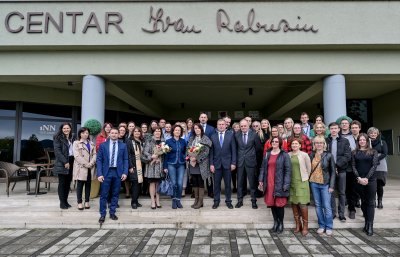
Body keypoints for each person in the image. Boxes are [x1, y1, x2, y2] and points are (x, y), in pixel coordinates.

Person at [259, 136, 291, 233]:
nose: (274, 143)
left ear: (280, 143)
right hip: (269, 182)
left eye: (276, 141)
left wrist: (286, 184)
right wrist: (260, 179)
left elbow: (288, 171)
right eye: (273, 141)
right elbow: (263, 168)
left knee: (279, 205)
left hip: (279, 183)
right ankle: (275, 222)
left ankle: (281, 223)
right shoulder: (267, 153)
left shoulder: (284, 155)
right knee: (272, 204)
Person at [96, 128, 128, 224]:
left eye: (116, 133)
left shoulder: (123, 145)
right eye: (112, 133)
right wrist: (99, 173)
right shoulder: (103, 145)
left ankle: (112, 212)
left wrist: (125, 172)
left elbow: (125, 159)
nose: (114, 134)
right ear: (109, 134)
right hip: (106, 172)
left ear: (119, 134)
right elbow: (99, 160)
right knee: (104, 195)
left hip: (118, 172)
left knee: (115, 194)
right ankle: (102, 214)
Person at [352, 133, 379, 236]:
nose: (362, 141)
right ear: (358, 141)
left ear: (367, 141)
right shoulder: (354, 152)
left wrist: (367, 178)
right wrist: (359, 178)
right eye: (360, 140)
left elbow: (374, 165)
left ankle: (370, 225)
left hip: (371, 180)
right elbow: (353, 166)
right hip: (359, 180)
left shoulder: (373, 152)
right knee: (364, 202)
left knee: (371, 202)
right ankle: (366, 224)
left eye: (364, 140)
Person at [309, 135, 336, 236]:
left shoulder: (329, 155)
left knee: (327, 206)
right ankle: (321, 225)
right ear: (314, 144)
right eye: (317, 143)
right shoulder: (311, 155)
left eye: (321, 143)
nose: (319, 144)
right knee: (318, 205)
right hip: (313, 183)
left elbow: (333, 172)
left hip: (325, 184)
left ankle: (329, 226)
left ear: (324, 144)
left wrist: (332, 186)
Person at [326, 122, 351, 222]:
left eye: (335, 128)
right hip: (329, 171)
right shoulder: (326, 141)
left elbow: (347, 156)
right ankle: (333, 213)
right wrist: (331, 167)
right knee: (331, 192)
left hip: (341, 170)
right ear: (329, 130)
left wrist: (336, 166)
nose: (333, 130)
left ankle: (341, 214)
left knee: (342, 192)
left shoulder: (345, 141)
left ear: (339, 129)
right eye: (332, 128)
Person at [235, 119, 262, 209]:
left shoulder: (254, 135)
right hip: (240, 162)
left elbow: (258, 148)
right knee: (239, 182)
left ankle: (253, 200)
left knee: (252, 183)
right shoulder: (236, 135)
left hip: (251, 162)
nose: (243, 127)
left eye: (245, 126)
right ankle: (239, 200)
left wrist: (252, 156)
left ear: (248, 126)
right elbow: (235, 149)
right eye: (241, 126)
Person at [209, 119, 237, 209]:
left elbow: (234, 150)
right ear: (217, 125)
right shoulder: (212, 136)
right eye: (219, 124)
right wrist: (211, 164)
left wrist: (233, 163)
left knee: (228, 184)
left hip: (228, 164)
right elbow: (211, 152)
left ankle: (228, 201)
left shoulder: (231, 135)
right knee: (216, 184)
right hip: (216, 164)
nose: (221, 126)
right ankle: (216, 201)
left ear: (226, 125)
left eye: (222, 124)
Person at [288, 138, 311, 236]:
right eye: (293, 143)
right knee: (294, 203)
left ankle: (305, 225)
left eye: (296, 143)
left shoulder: (304, 155)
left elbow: (309, 169)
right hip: (291, 182)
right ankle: (298, 224)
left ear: (300, 145)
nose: (294, 145)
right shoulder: (288, 155)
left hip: (302, 182)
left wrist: (305, 178)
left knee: (302, 204)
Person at [187, 123, 212, 209]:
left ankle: (200, 201)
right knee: (194, 181)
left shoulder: (205, 139)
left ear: (201, 129)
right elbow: (188, 149)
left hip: (202, 163)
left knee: (200, 181)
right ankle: (196, 200)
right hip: (192, 164)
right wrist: (190, 156)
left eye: (198, 128)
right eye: (195, 128)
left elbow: (206, 152)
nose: (197, 130)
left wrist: (197, 158)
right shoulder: (191, 138)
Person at [164, 125, 187, 209]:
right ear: (173, 131)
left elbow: (185, 153)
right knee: (173, 183)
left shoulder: (183, 141)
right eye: (176, 130)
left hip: (181, 164)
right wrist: (165, 166)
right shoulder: (168, 141)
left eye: (179, 130)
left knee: (180, 183)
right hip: (171, 164)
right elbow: (166, 155)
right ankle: (174, 200)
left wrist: (186, 157)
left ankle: (178, 199)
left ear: (181, 132)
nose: (177, 131)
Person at [53, 123, 76, 209]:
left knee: (67, 183)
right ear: (61, 129)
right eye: (64, 128)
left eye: (68, 128)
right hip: (63, 162)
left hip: (72, 161)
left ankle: (66, 201)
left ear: (70, 129)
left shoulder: (73, 137)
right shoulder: (58, 138)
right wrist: (65, 162)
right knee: (62, 183)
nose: (66, 130)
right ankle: (62, 203)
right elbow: (57, 151)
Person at [73, 127, 96, 210]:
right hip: (81, 167)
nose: (85, 134)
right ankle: (79, 202)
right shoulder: (76, 143)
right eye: (83, 133)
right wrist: (86, 164)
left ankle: (87, 201)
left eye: (86, 133)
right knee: (80, 185)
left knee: (88, 185)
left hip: (90, 167)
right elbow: (76, 156)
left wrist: (91, 163)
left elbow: (94, 154)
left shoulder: (92, 143)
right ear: (80, 134)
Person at [142, 127, 165, 209]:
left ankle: (158, 200)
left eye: (159, 131)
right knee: (152, 183)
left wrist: (159, 157)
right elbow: (144, 152)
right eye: (156, 131)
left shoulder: (163, 142)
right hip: (151, 165)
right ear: (153, 132)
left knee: (158, 183)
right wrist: (152, 156)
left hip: (160, 165)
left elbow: (165, 153)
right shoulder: (149, 141)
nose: (158, 132)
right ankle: (152, 201)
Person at [367, 127, 388, 209]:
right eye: (371, 133)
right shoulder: (366, 143)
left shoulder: (383, 142)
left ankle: (380, 201)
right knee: (372, 185)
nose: (373, 134)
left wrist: (375, 159)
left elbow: (385, 153)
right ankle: (373, 201)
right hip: (369, 164)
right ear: (368, 134)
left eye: (375, 133)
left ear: (377, 134)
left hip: (380, 165)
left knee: (379, 185)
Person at [127, 127, 144, 209]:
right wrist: (130, 166)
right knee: (135, 184)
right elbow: (128, 154)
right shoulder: (129, 141)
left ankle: (136, 201)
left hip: (141, 165)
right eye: (135, 131)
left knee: (139, 184)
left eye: (138, 131)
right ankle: (133, 202)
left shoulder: (141, 142)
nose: (137, 133)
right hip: (133, 166)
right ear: (133, 133)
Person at [199, 112, 215, 197]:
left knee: (209, 174)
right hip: (198, 155)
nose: (203, 119)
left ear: (207, 119)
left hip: (208, 154)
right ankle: (198, 192)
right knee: (199, 174)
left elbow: (213, 142)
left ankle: (210, 192)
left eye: (204, 117)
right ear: (199, 118)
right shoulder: (196, 127)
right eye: (201, 117)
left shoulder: (211, 129)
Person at [118, 125, 129, 198]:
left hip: (124, 160)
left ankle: (127, 192)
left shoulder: (127, 140)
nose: (122, 132)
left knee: (126, 177)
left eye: (123, 131)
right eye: (121, 130)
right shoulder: (114, 138)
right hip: (116, 161)